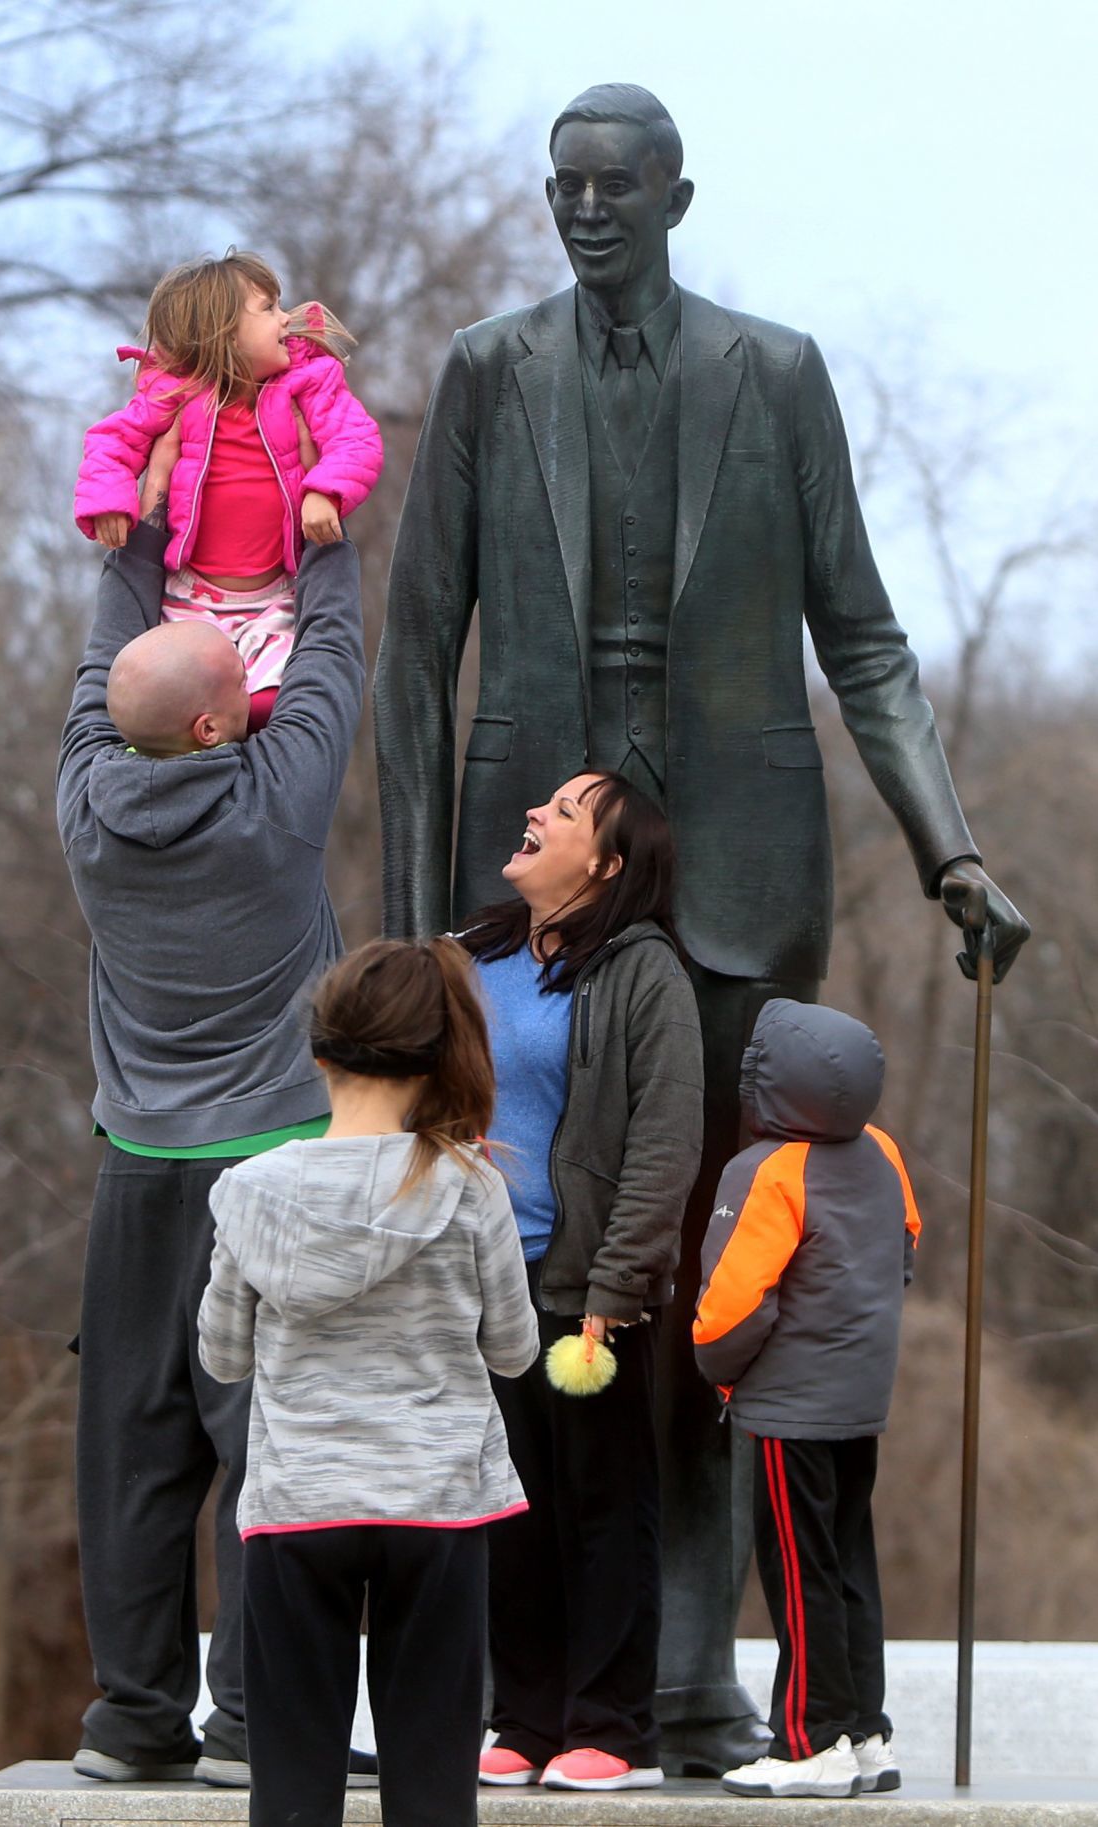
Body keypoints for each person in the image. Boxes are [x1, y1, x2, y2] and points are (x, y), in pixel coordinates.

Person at [372, 81, 1029, 1772]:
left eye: (615, 187)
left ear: (676, 195)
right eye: (561, 187)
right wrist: (401, 925)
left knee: (708, 1289)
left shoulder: (772, 374)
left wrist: (945, 849)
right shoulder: (484, 371)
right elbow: (413, 649)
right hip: (531, 892)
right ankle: (547, 1688)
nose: (584, 212)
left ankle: (688, 1677)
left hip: (736, 877)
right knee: (540, 1276)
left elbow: (865, 643)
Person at [57, 454, 366, 1784]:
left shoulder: (84, 802)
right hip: (273, 1171)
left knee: (133, 1442)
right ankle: (252, 1722)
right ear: (211, 729)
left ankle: (132, 1718)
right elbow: (338, 645)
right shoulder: (272, 805)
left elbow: (98, 664)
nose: (257, 688)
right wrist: (320, 525)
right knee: (272, 1446)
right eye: (235, 689)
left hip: (138, 1171)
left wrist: (142, 529)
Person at [196, 939, 539, 1827]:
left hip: (298, 1504)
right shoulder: (469, 1184)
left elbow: (223, 1355)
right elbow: (513, 1348)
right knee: (431, 1786)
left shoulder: (249, 1190)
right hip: (435, 1506)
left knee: (291, 1789)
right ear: (436, 1055)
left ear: (317, 1052)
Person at [459, 770, 704, 1792]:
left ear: (605, 862)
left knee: (600, 1514)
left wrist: (617, 1284)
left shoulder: (644, 973)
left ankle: (610, 1727)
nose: (534, 815)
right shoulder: (469, 956)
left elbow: (662, 1143)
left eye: (562, 812)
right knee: (503, 1516)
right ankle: (520, 1717)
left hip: (582, 1295)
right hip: (476, 1289)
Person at [693, 999, 920, 1799]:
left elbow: (730, 1304)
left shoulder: (765, 1171)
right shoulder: (882, 1151)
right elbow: (905, 1248)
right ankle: (865, 1733)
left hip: (790, 1407)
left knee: (798, 1570)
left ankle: (807, 1740)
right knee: (848, 1558)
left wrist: (719, 1372)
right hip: (860, 1398)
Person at [74, 250, 382, 730]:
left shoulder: (309, 381)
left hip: (275, 595)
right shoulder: (174, 393)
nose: (286, 319)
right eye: (268, 308)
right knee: (173, 701)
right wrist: (108, 500)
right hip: (191, 598)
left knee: (271, 702)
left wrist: (327, 490)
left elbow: (355, 438)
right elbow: (112, 441)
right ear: (223, 334)